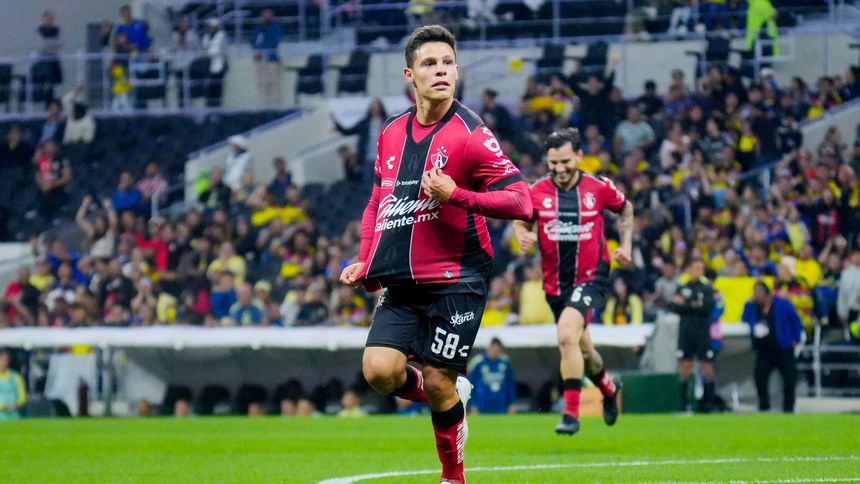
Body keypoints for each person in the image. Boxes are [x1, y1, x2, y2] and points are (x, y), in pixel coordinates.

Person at [339, 25, 532, 484]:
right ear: (410, 74)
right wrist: (366, 259)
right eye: (429, 63)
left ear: (457, 71)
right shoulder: (390, 132)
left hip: (457, 279)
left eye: (447, 62)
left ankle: (453, 476)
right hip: (402, 282)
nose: (441, 70)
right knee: (379, 371)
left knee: (440, 380)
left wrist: (457, 194)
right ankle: (451, 399)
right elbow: (377, 202)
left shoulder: (471, 134)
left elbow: (522, 200)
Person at [512, 127, 631, 435]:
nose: (560, 169)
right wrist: (522, 234)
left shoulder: (598, 188)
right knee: (584, 349)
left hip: (591, 278)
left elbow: (625, 209)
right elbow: (520, 219)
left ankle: (571, 414)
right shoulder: (537, 191)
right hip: (555, 286)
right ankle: (608, 388)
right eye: (553, 163)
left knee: (566, 336)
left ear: (579, 156)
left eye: (565, 161)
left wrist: (626, 245)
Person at [667, 259, 719, 412]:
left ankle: (711, 405)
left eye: (700, 268)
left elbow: (708, 307)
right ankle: (684, 406)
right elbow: (673, 306)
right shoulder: (682, 287)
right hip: (686, 333)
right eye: (695, 268)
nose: (698, 271)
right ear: (689, 270)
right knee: (685, 366)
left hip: (703, 333)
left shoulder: (708, 289)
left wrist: (686, 304)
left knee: (707, 366)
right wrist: (694, 304)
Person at [743, 281, 803, 413]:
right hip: (764, 349)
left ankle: (789, 407)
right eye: (755, 292)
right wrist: (748, 304)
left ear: (767, 293)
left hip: (783, 347)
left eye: (759, 291)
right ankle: (764, 407)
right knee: (760, 377)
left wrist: (796, 339)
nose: (756, 295)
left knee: (789, 378)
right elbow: (745, 320)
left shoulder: (782, 304)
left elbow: (796, 321)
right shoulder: (753, 306)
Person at [466, 337, 517, 414]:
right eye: (493, 350)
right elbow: (469, 385)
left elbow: (510, 384)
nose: (495, 353)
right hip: (482, 404)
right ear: (488, 348)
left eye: (497, 351)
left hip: (500, 404)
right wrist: (473, 404)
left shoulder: (505, 362)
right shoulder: (478, 362)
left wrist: (511, 403)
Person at [251, 8, 283, 105]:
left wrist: (262, 50)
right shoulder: (258, 27)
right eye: (264, 15)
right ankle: (263, 103)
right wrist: (257, 51)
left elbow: (274, 41)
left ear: (272, 17)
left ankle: (275, 104)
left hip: (272, 59)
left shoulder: (276, 28)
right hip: (260, 60)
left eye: (269, 15)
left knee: (273, 82)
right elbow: (253, 40)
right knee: (262, 82)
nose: (266, 17)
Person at [201, 19, 227, 107]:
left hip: (218, 65)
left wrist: (210, 53)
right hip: (208, 65)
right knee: (208, 88)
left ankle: (217, 106)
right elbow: (204, 47)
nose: (209, 28)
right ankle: (209, 106)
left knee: (217, 88)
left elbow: (218, 48)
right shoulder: (206, 36)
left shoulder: (221, 35)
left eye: (211, 26)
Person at [0, 349, 26, 420]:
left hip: (14, 415)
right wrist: (2, 406)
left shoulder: (16, 377)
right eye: (1, 360)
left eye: (5, 360)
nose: (3, 362)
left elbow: (23, 397)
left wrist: (14, 405)